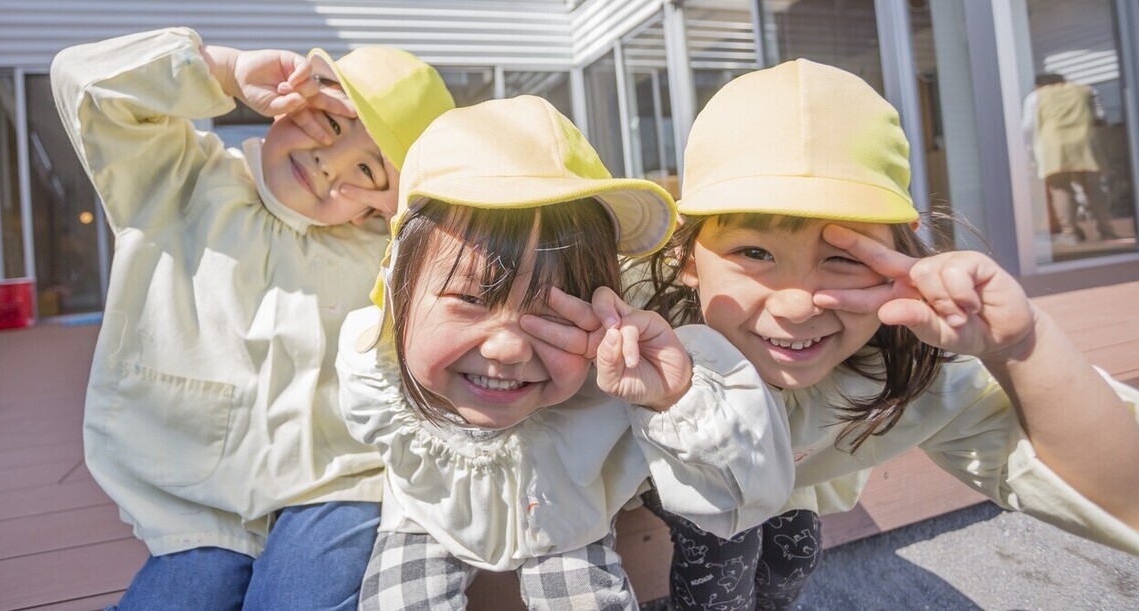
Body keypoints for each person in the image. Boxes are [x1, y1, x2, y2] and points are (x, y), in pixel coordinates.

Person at [639, 59, 1139, 610]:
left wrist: (1020, 348)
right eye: (754, 252)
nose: (797, 305)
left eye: (844, 256)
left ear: (901, 246)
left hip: (786, 486)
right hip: (680, 472)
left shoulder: (914, 366)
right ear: (686, 256)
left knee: (794, 555)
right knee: (724, 548)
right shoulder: (643, 327)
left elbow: (1135, 507)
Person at [336, 95, 795, 609]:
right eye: (470, 299)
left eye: (554, 313)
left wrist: (675, 397)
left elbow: (748, 492)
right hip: (425, 517)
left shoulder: (612, 385)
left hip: (567, 525)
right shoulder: (373, 366)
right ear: (398, 291)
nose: (508, 348)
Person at [51, 28, 454, 609]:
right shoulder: (178, 177)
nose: (328, 165)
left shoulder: (384, 253)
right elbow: (86, 82)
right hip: (197, 495)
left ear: (383, 204)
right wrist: (224, 71)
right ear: (295, 98)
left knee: (299, 598)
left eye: (369, 171)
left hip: (337, 480)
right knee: (184, 595)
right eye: (330, 124)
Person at [1022, 72, 1119, 244]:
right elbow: (1100, 116)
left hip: (1053, 145)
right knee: (1093, 188)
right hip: (1085, 143)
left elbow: (1027, 126)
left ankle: (1069, 233)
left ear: (1038, 85)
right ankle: (1107, 231)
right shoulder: (1087, 90)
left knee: (1061, 188)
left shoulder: (1035, 97)